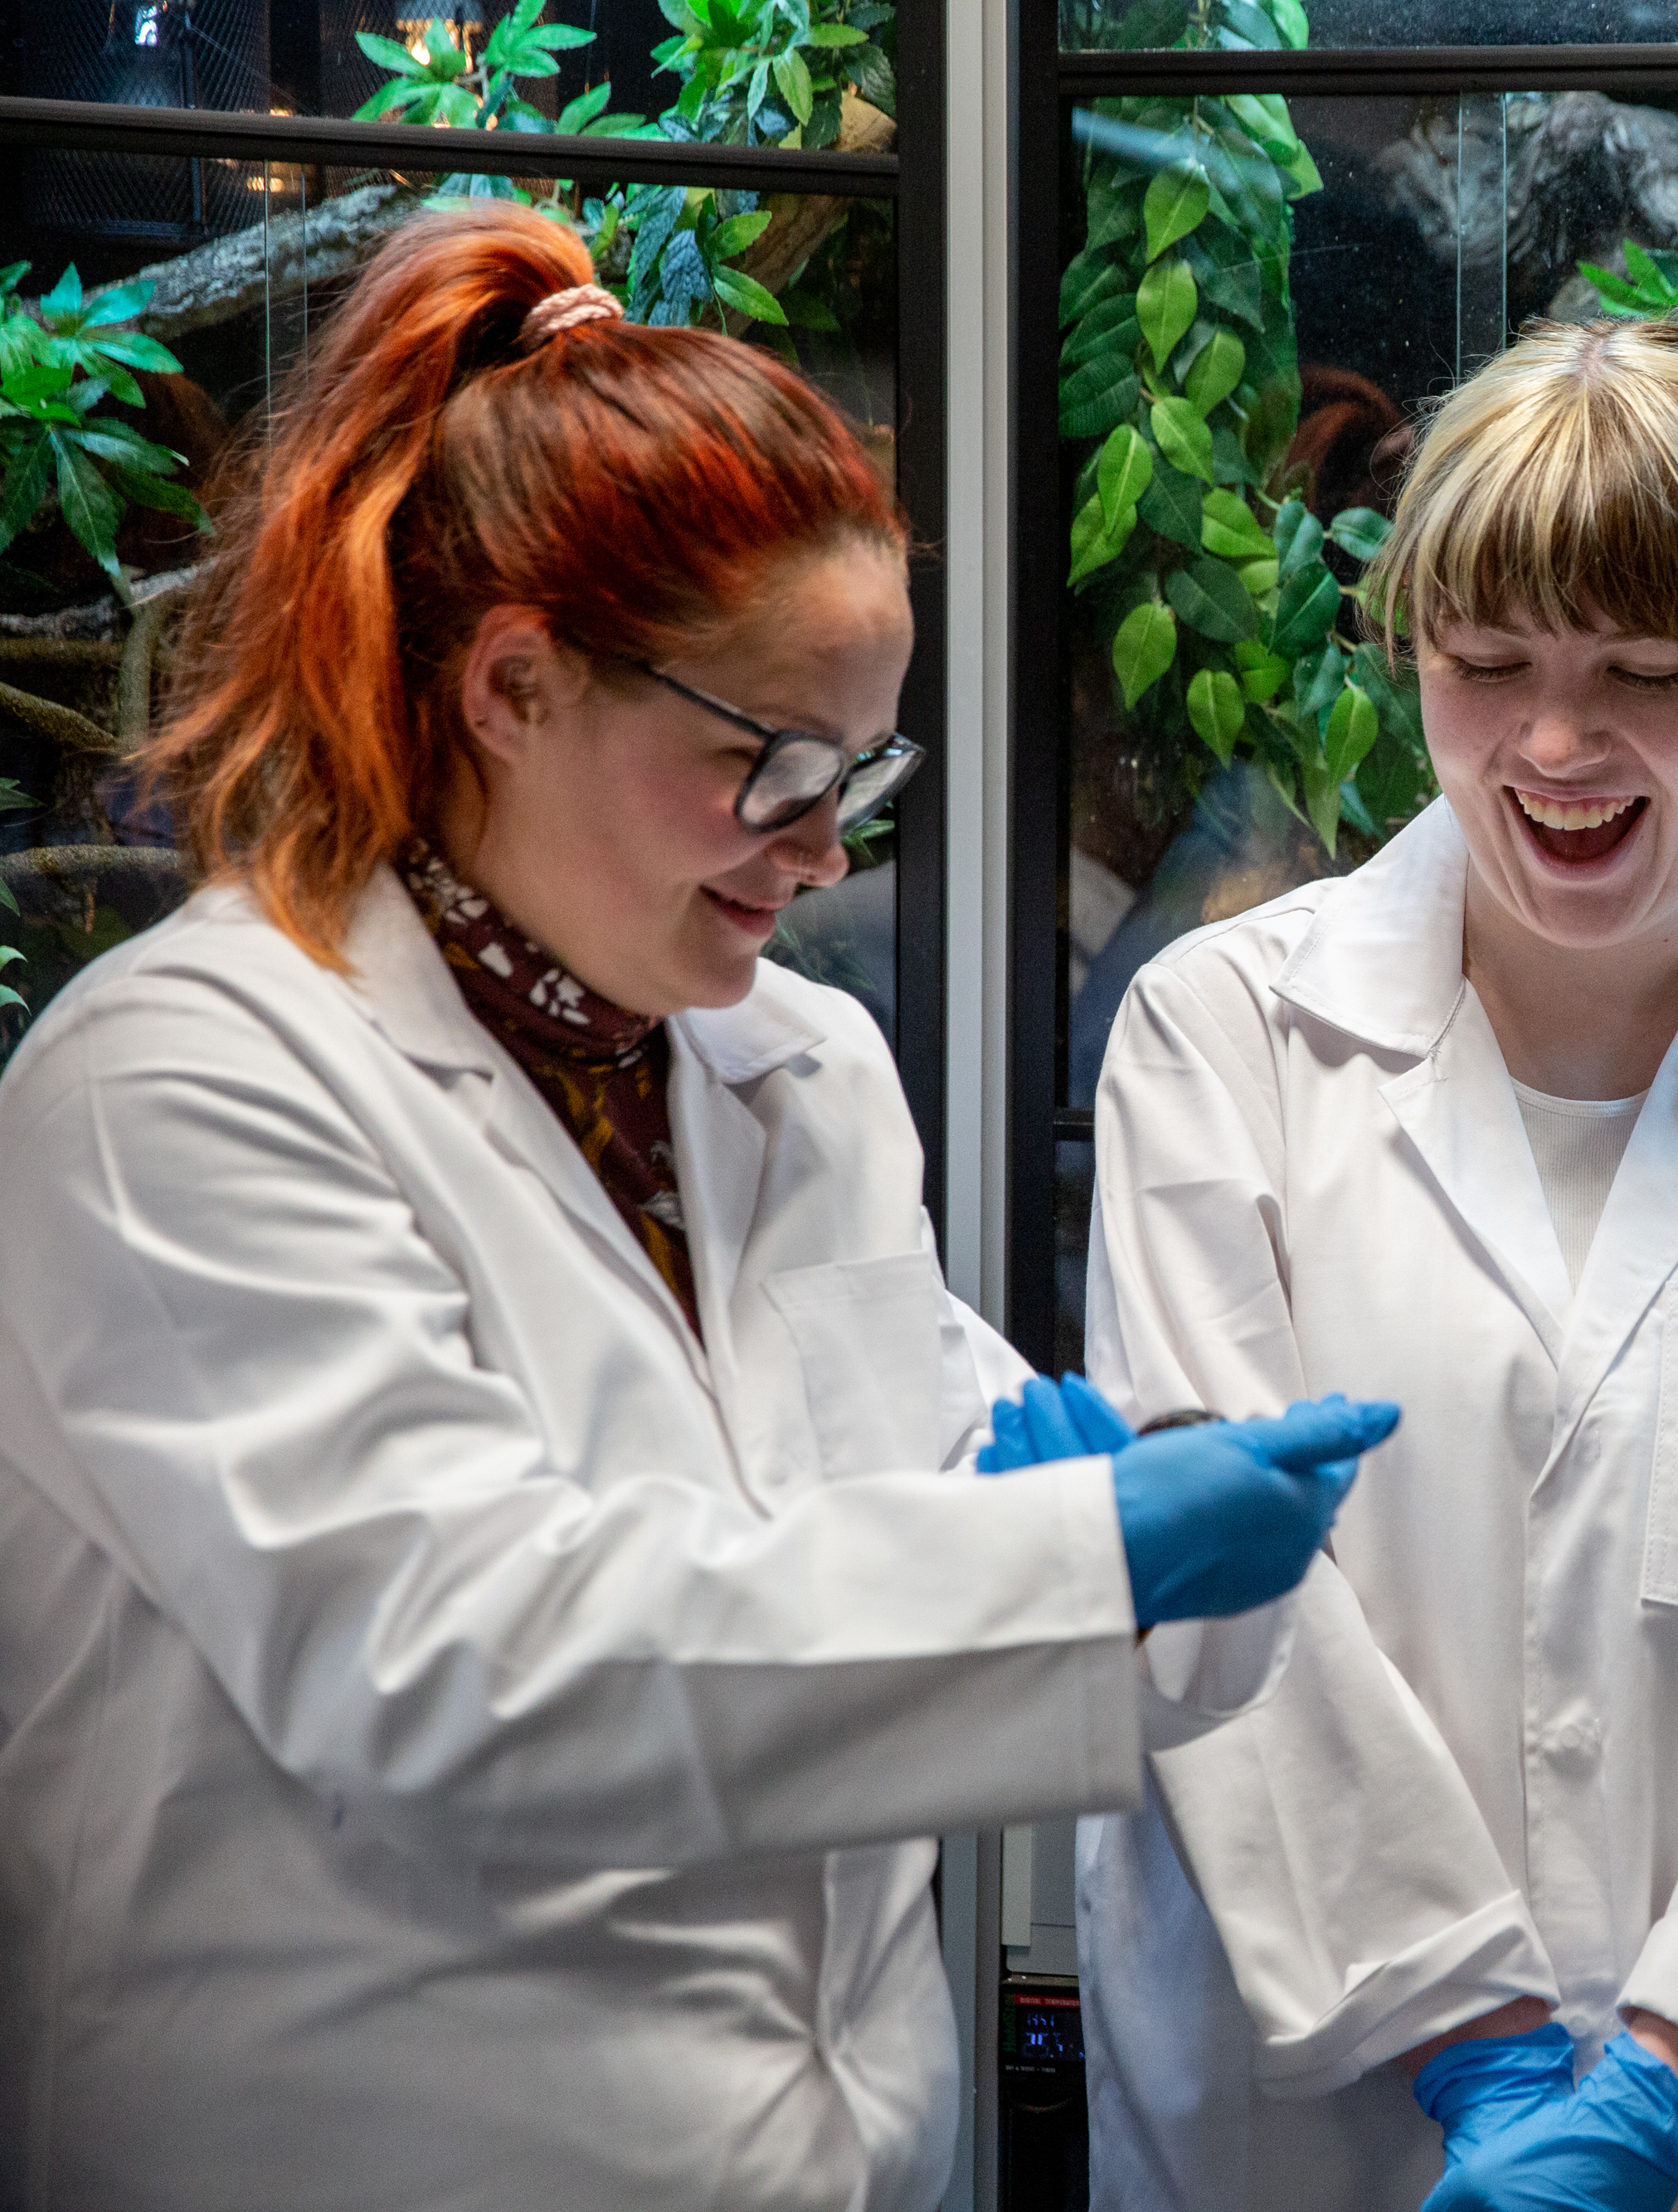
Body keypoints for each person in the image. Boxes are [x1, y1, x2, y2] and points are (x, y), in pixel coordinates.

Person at [0, 205, 1395, 2212]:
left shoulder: (790, 1072)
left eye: (868, 764)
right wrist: (1075, 1560)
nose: (827, 848)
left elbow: (928, 1501)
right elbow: (470, 1669)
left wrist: (1161, 1527)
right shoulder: (185, 1090)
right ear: (510, 684)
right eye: (776, 764)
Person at [1044, 316, 1678, 2212]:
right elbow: (1234, 1605)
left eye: (1642, 672)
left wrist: (1664, 2082)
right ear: (1409, 645)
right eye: (1484, 667)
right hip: (1317, 2107)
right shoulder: (1226, 1037)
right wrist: (1473, 2042)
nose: (1553, 748)